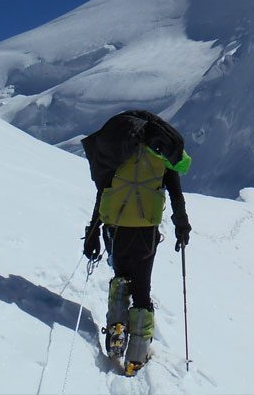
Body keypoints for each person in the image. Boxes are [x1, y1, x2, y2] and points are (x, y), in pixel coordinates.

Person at [81, 110, 192, 377]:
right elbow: (176, 195)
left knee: (121, 276)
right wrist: (182, 226)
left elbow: (103, 193)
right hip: (146, 230)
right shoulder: (162, 157)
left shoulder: (119, 153)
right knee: (142, 289)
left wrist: (92, 232)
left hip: (116, 226)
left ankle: (117, 330)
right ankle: (136, 356)